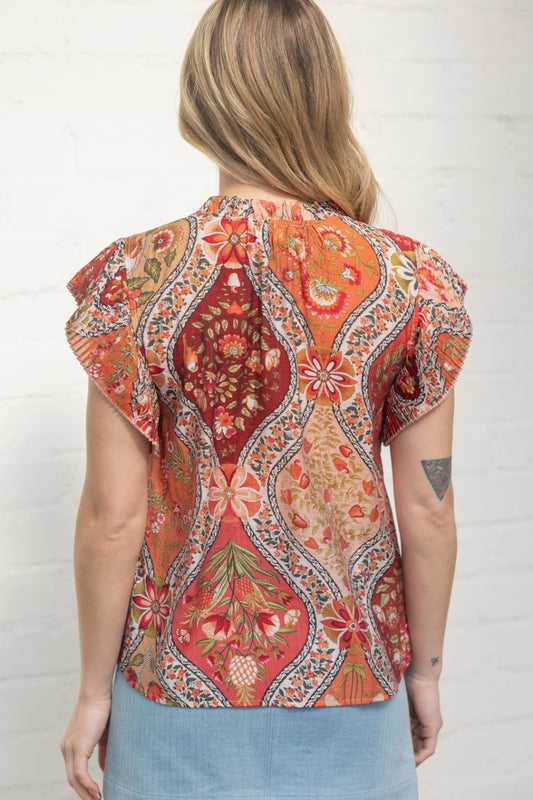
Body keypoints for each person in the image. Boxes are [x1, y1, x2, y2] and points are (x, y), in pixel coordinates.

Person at [60, 1, 472, 799]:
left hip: (174, 689)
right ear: (324, 97)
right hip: (354, 684)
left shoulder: (137, 279)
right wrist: (424, 674)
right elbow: (429, 508)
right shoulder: (409, 282)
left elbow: (113, 517)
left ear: (200, 100)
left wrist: (91, 695)